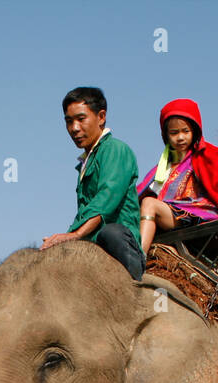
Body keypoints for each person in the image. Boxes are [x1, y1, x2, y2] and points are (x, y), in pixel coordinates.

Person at [40, 87, 145, 280]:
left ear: (101, 116)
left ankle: (135, 285)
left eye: (81, 119)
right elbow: (84, 212)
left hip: (118, 240)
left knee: (110, 233)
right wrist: (62, 239)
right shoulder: (85, 162)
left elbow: (106, 200)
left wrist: (74, 234)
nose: (74, 128)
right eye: (69, 121)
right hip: (91, 240)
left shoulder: (116, 150)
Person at [136, 98, 218, 254]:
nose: (180, 137)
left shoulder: (205, 156)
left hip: (193, 213)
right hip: (168, 213)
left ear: (195, 131)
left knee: (149, 204)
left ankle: (139, 257)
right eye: (174, 133)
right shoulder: (163, 167)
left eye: (185, 131)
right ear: (166, 135)